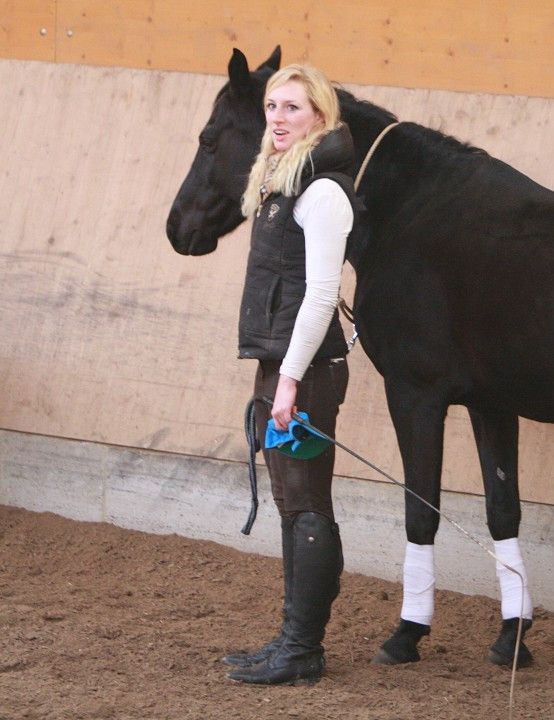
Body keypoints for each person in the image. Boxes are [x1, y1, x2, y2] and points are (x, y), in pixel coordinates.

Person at [221, 63, 356, 686]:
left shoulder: (322, 193)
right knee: (290, 503)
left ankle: (303, 649)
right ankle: (291, 640)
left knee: (306, 505)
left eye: (292, 108)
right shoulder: (281, 184)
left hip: (305, 372)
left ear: (319, 118)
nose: (277, 118)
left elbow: (322, 293)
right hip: (281, 365)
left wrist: (292, 380)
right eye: (272, 107)